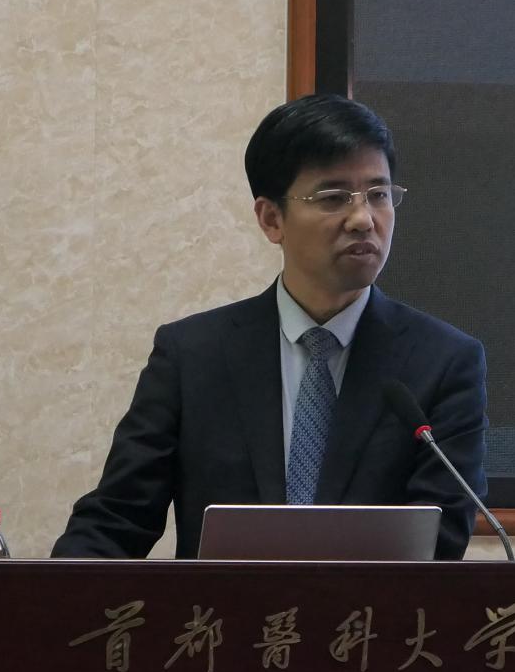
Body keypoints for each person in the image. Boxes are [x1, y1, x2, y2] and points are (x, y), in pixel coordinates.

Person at [52, 94, 487, 560]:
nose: (363, 219)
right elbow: (117, 519)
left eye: (378, 195)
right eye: (333, 198)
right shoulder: (192, 355)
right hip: (221, 609)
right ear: (271, 218)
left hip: (372, 609)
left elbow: (438, 542)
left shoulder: (443, 362)